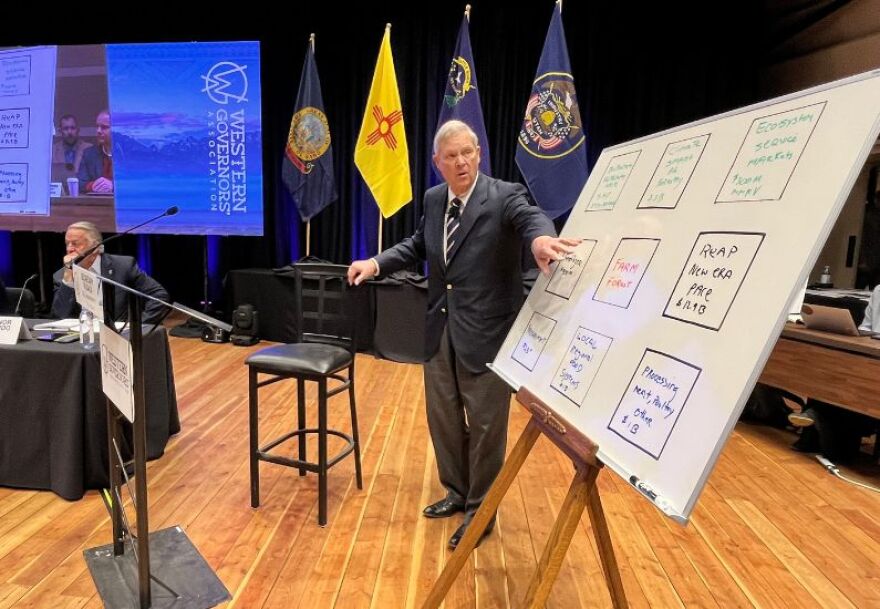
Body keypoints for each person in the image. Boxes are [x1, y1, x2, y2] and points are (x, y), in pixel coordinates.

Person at [348, 120, 578, 550]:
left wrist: (541, 239)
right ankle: (456, 491)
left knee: (488, 426)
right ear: (438, 163)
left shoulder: (504, 196)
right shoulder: (436, 199)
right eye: (451, 156)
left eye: (467, 153)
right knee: (445, 420)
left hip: (488, 333)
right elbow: (417, 245)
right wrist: (375, 263)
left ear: (478, 154)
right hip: (440, 330)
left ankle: (480, 510)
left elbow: (530, 219)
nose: (461, 162)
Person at [52, 221, 169, 323]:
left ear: (95, 247)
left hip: (120, 337)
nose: (69, 249)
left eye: (75, 243)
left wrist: (136, 327)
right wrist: (68, 278)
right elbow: (59, 316)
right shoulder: (61, 276)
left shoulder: (123, 266)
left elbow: (159, 297)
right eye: (67, 243)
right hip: (82, 339)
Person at [77, 109, 114, 194]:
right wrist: (92, 185)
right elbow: (80, 183)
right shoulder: (89, 154)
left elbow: (137, 184)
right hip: (95, 205)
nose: (98, 131)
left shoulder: (129, 154)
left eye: (104, 127)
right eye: (97, 126)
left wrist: (113, 185)